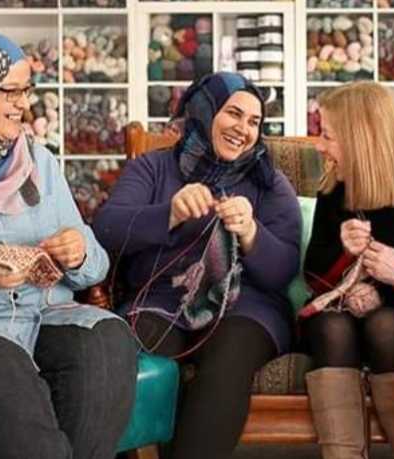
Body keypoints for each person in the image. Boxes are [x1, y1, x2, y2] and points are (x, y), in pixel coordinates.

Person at [0, 31, 138, 459]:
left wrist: (79, 253)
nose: (23, 104)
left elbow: (95, 266)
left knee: (107, 339)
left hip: (44, 315)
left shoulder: (39, 161)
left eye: (27, 90)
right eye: (9, 90)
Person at [93, 71, 301, 459]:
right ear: (204, 111)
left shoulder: (270, 183)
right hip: (161, 300)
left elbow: (282, 271)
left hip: (246, 307)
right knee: (126, 354)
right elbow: (107, 230)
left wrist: (251, 232)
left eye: (254, 121)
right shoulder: (152, 168)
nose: (243, 129)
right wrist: (169, 213)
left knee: (229, 357)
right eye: (233, 114)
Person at [301, 81, 394, 459]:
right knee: (331, 326)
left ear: (362, 141)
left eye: (328, 135)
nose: (319, 146)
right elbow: (313, 279)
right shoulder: (333, 192)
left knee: (384, 324)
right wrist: (343, 254)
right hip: (338, 314)